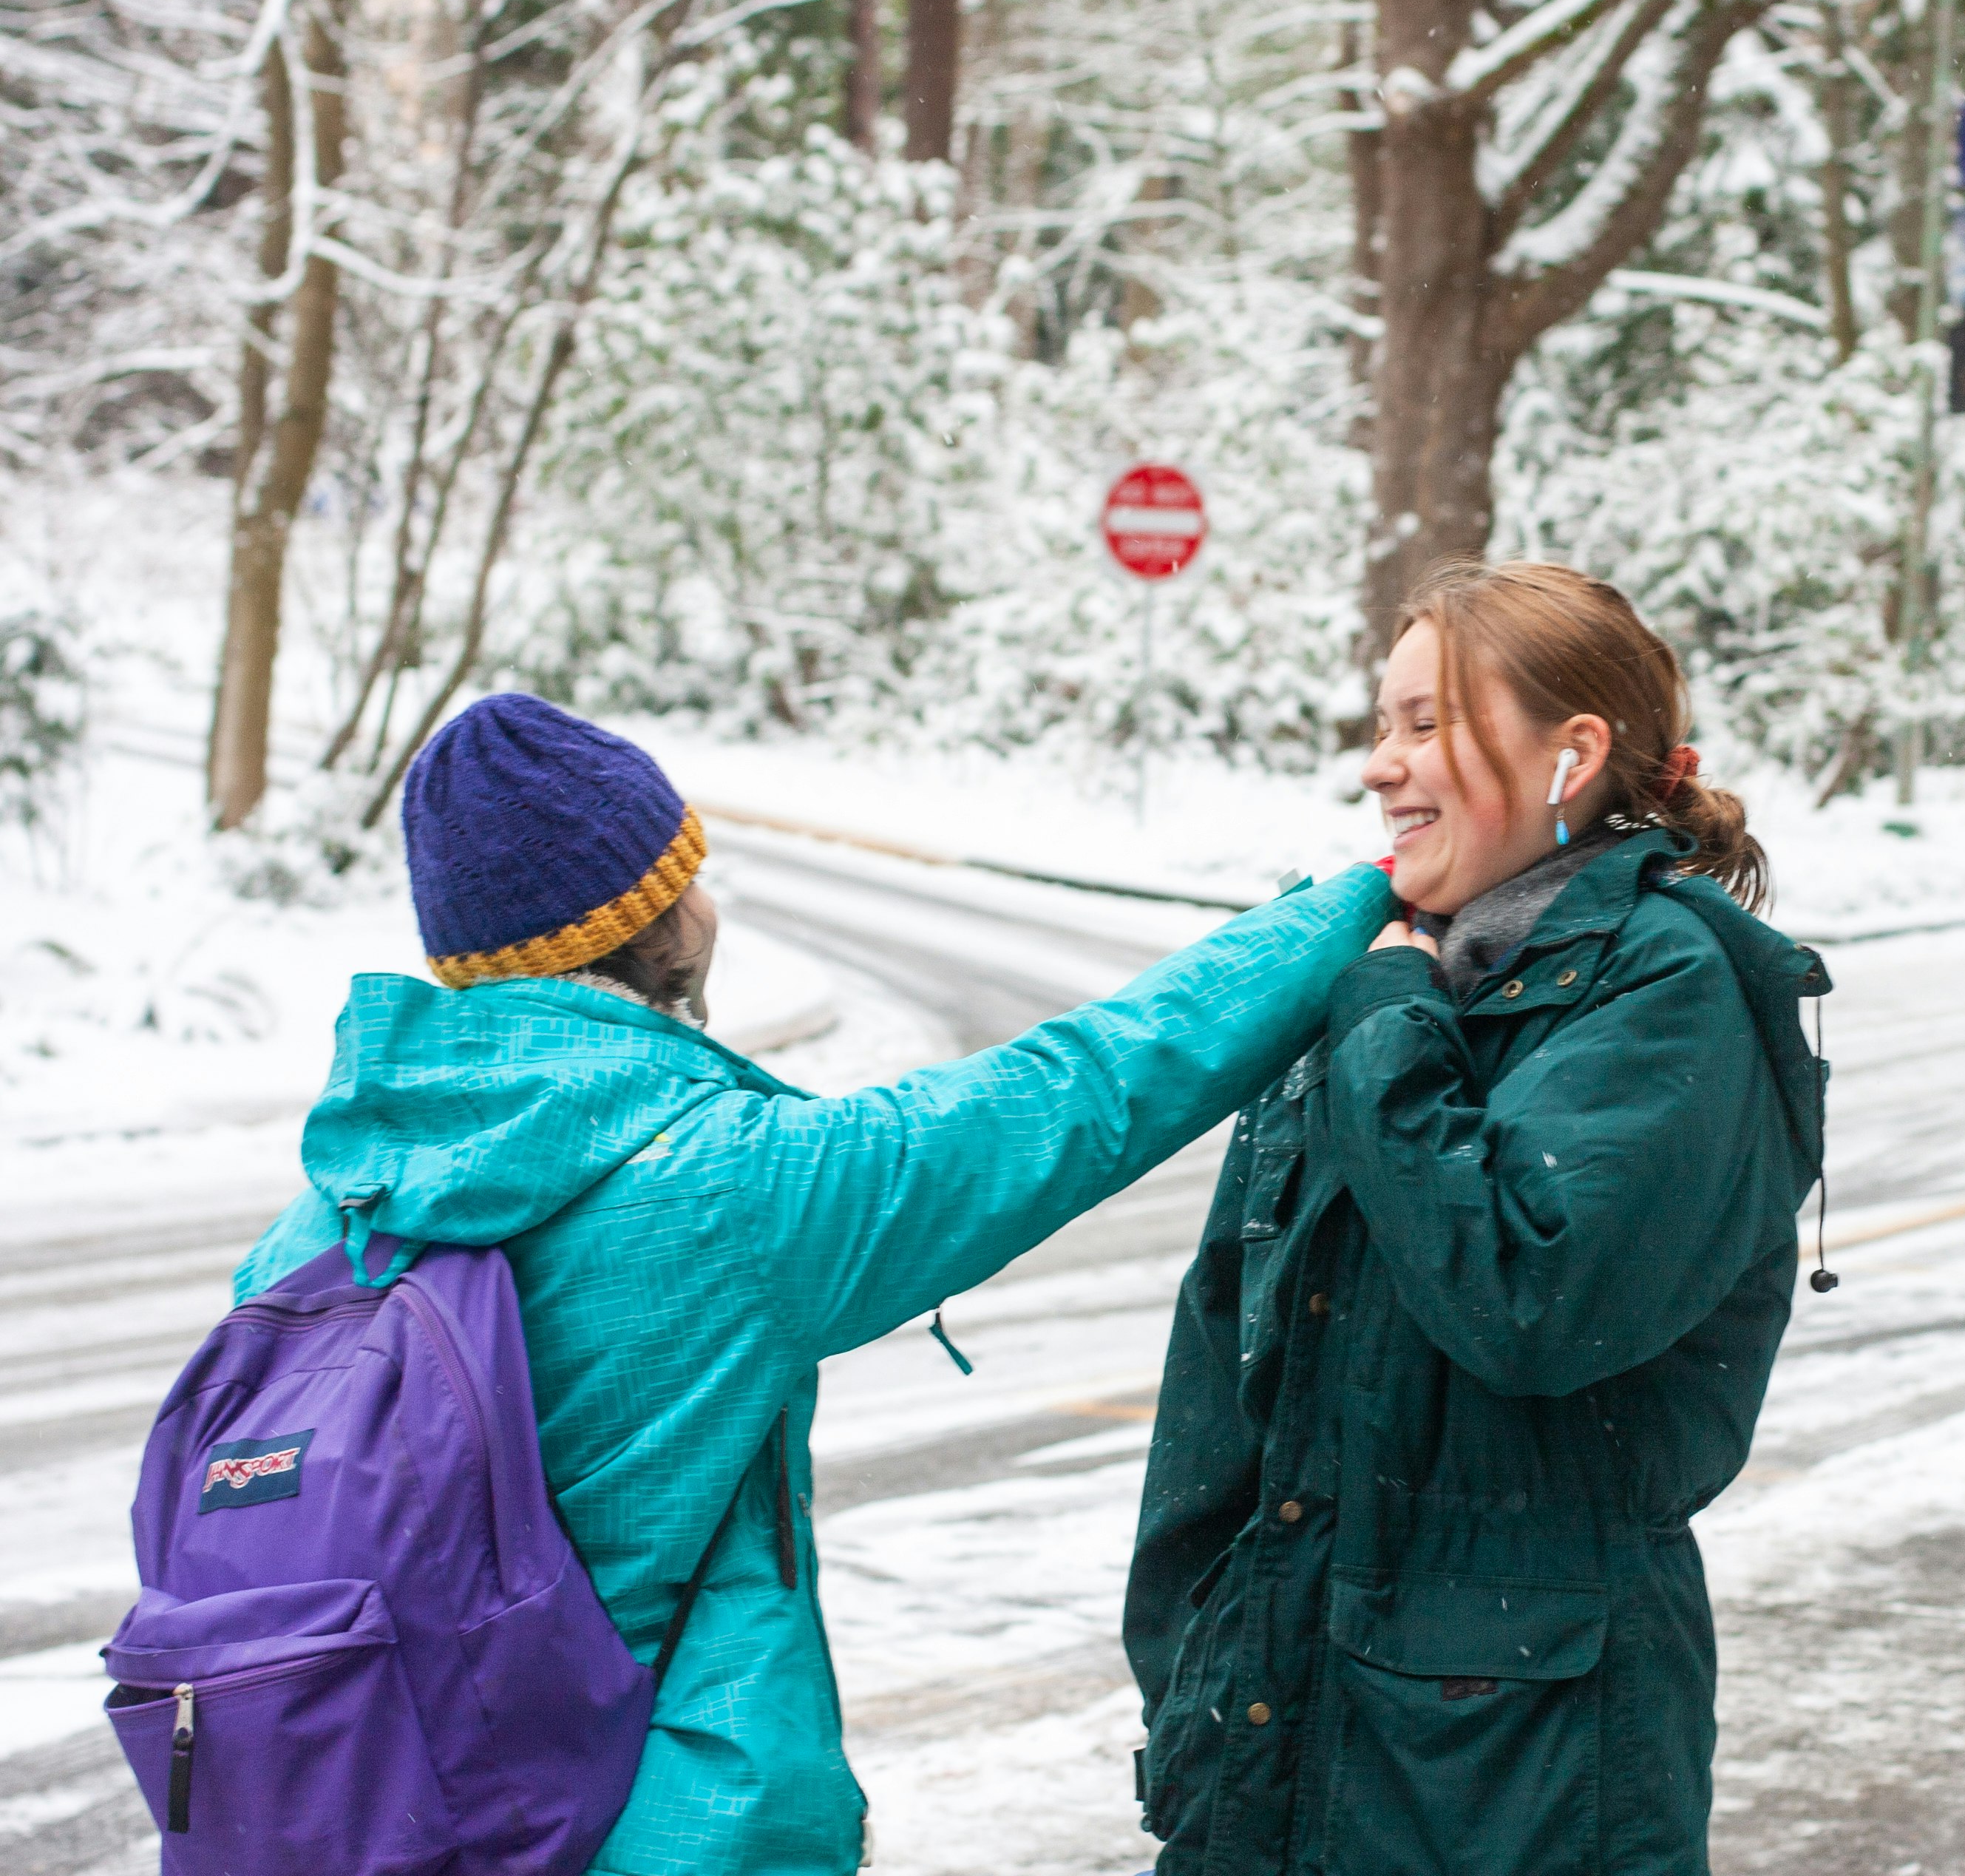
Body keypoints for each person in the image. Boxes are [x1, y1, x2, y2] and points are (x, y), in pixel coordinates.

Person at [231, 694, 1396, 1876]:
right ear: (656, 920)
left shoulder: (322, 1218)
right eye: (692, 873)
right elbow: (1084, 1090)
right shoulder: (727, 1184)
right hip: (661, 1827)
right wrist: (1352, 910)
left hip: (392, 1810)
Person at [1124, 563, 1830, 1876]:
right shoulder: (1387, 962)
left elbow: (1523, 1293)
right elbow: (1225, 1361)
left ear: (1573, 753)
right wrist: (1189, 1657)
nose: (1378, 768)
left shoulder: (1664, 990)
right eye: (1379, 724)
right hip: (1275, 1726)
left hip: (1515, 1773)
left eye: (1422, 724)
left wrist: (1390, 1021)